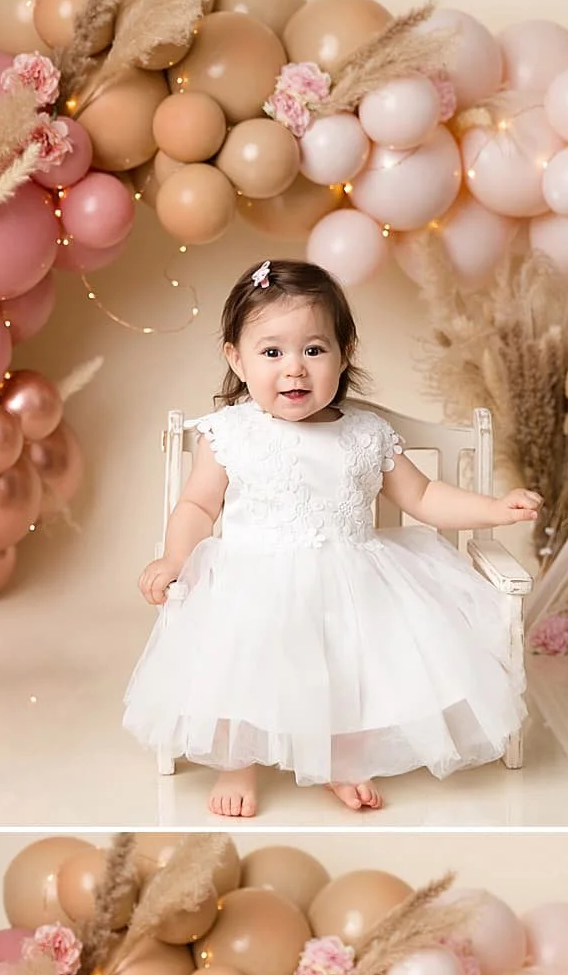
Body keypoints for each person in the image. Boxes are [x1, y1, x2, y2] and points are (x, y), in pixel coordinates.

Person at [123, 258, 533, 816]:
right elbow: (198, 504)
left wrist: (494, 508)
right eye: (272, 352)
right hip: (254, 574)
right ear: (236, 360)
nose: (294, 369)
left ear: (344, 355)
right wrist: (175, 557)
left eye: (314, 350)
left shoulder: (366, 434)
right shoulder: (231, 433)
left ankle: (340, 760)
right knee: (246, 649)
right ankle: (238, 761)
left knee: (355, 657)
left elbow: (424, 497)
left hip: (352, 577)